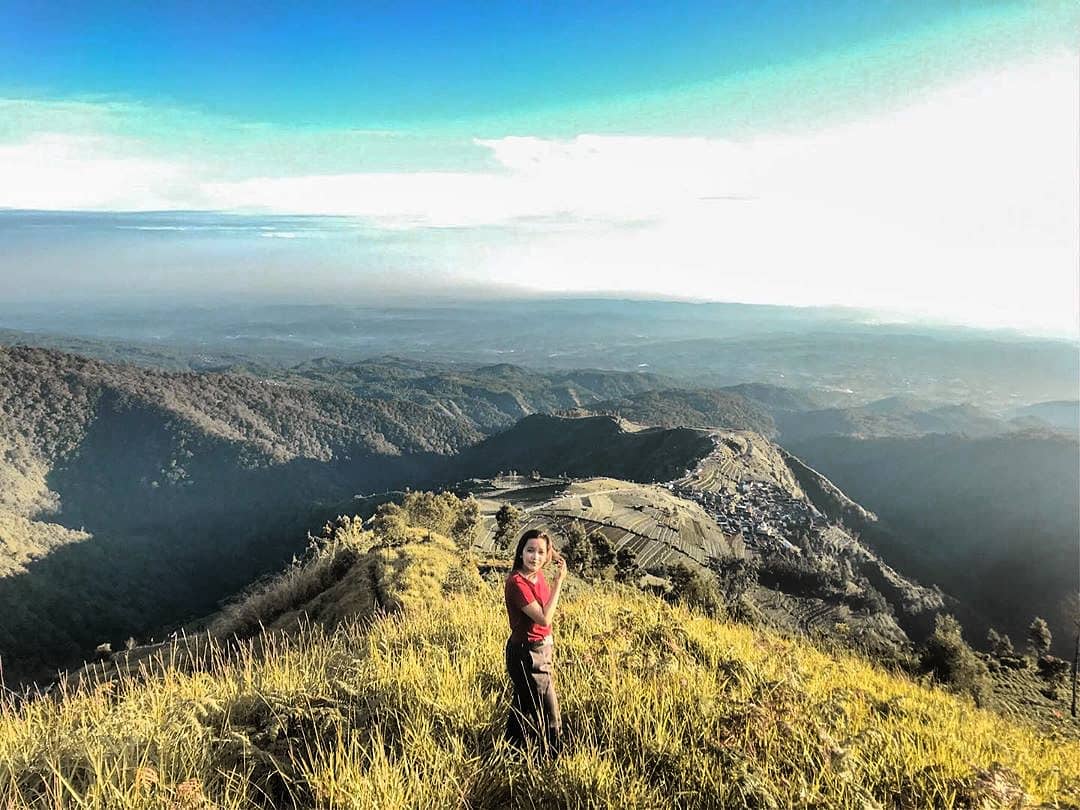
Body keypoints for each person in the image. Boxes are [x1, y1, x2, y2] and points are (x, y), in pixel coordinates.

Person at [504, 528, 566, 757]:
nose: (535, 557)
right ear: (520, 552)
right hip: (528, 653)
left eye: (541, 553)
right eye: (530, 551)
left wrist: (555, 555)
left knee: (524, 702)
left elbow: (546, 552)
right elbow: (544, 618)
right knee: (550, 712)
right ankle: (554, 758)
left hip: (537, 649)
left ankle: (511, 750)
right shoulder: (518, 583)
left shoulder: (536, 574)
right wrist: (559, 582)